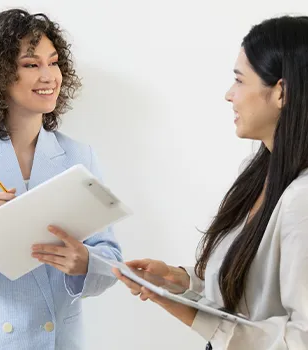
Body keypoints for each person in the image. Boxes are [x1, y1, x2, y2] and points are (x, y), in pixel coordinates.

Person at [114, 15, 308, 350]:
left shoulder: (301, 200)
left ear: (282, 92)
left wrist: (188, 311)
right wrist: (184, 283)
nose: (229, 95)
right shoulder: (259, 169)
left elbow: (301, 338)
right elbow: (252, 291)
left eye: (240, 81)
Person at [0, 9, 121, 350]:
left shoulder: (79, 155)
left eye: (54, 62)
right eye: (31, 65)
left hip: (59, 342)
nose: (49, 76)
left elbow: (111, 257)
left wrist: (86, 263)